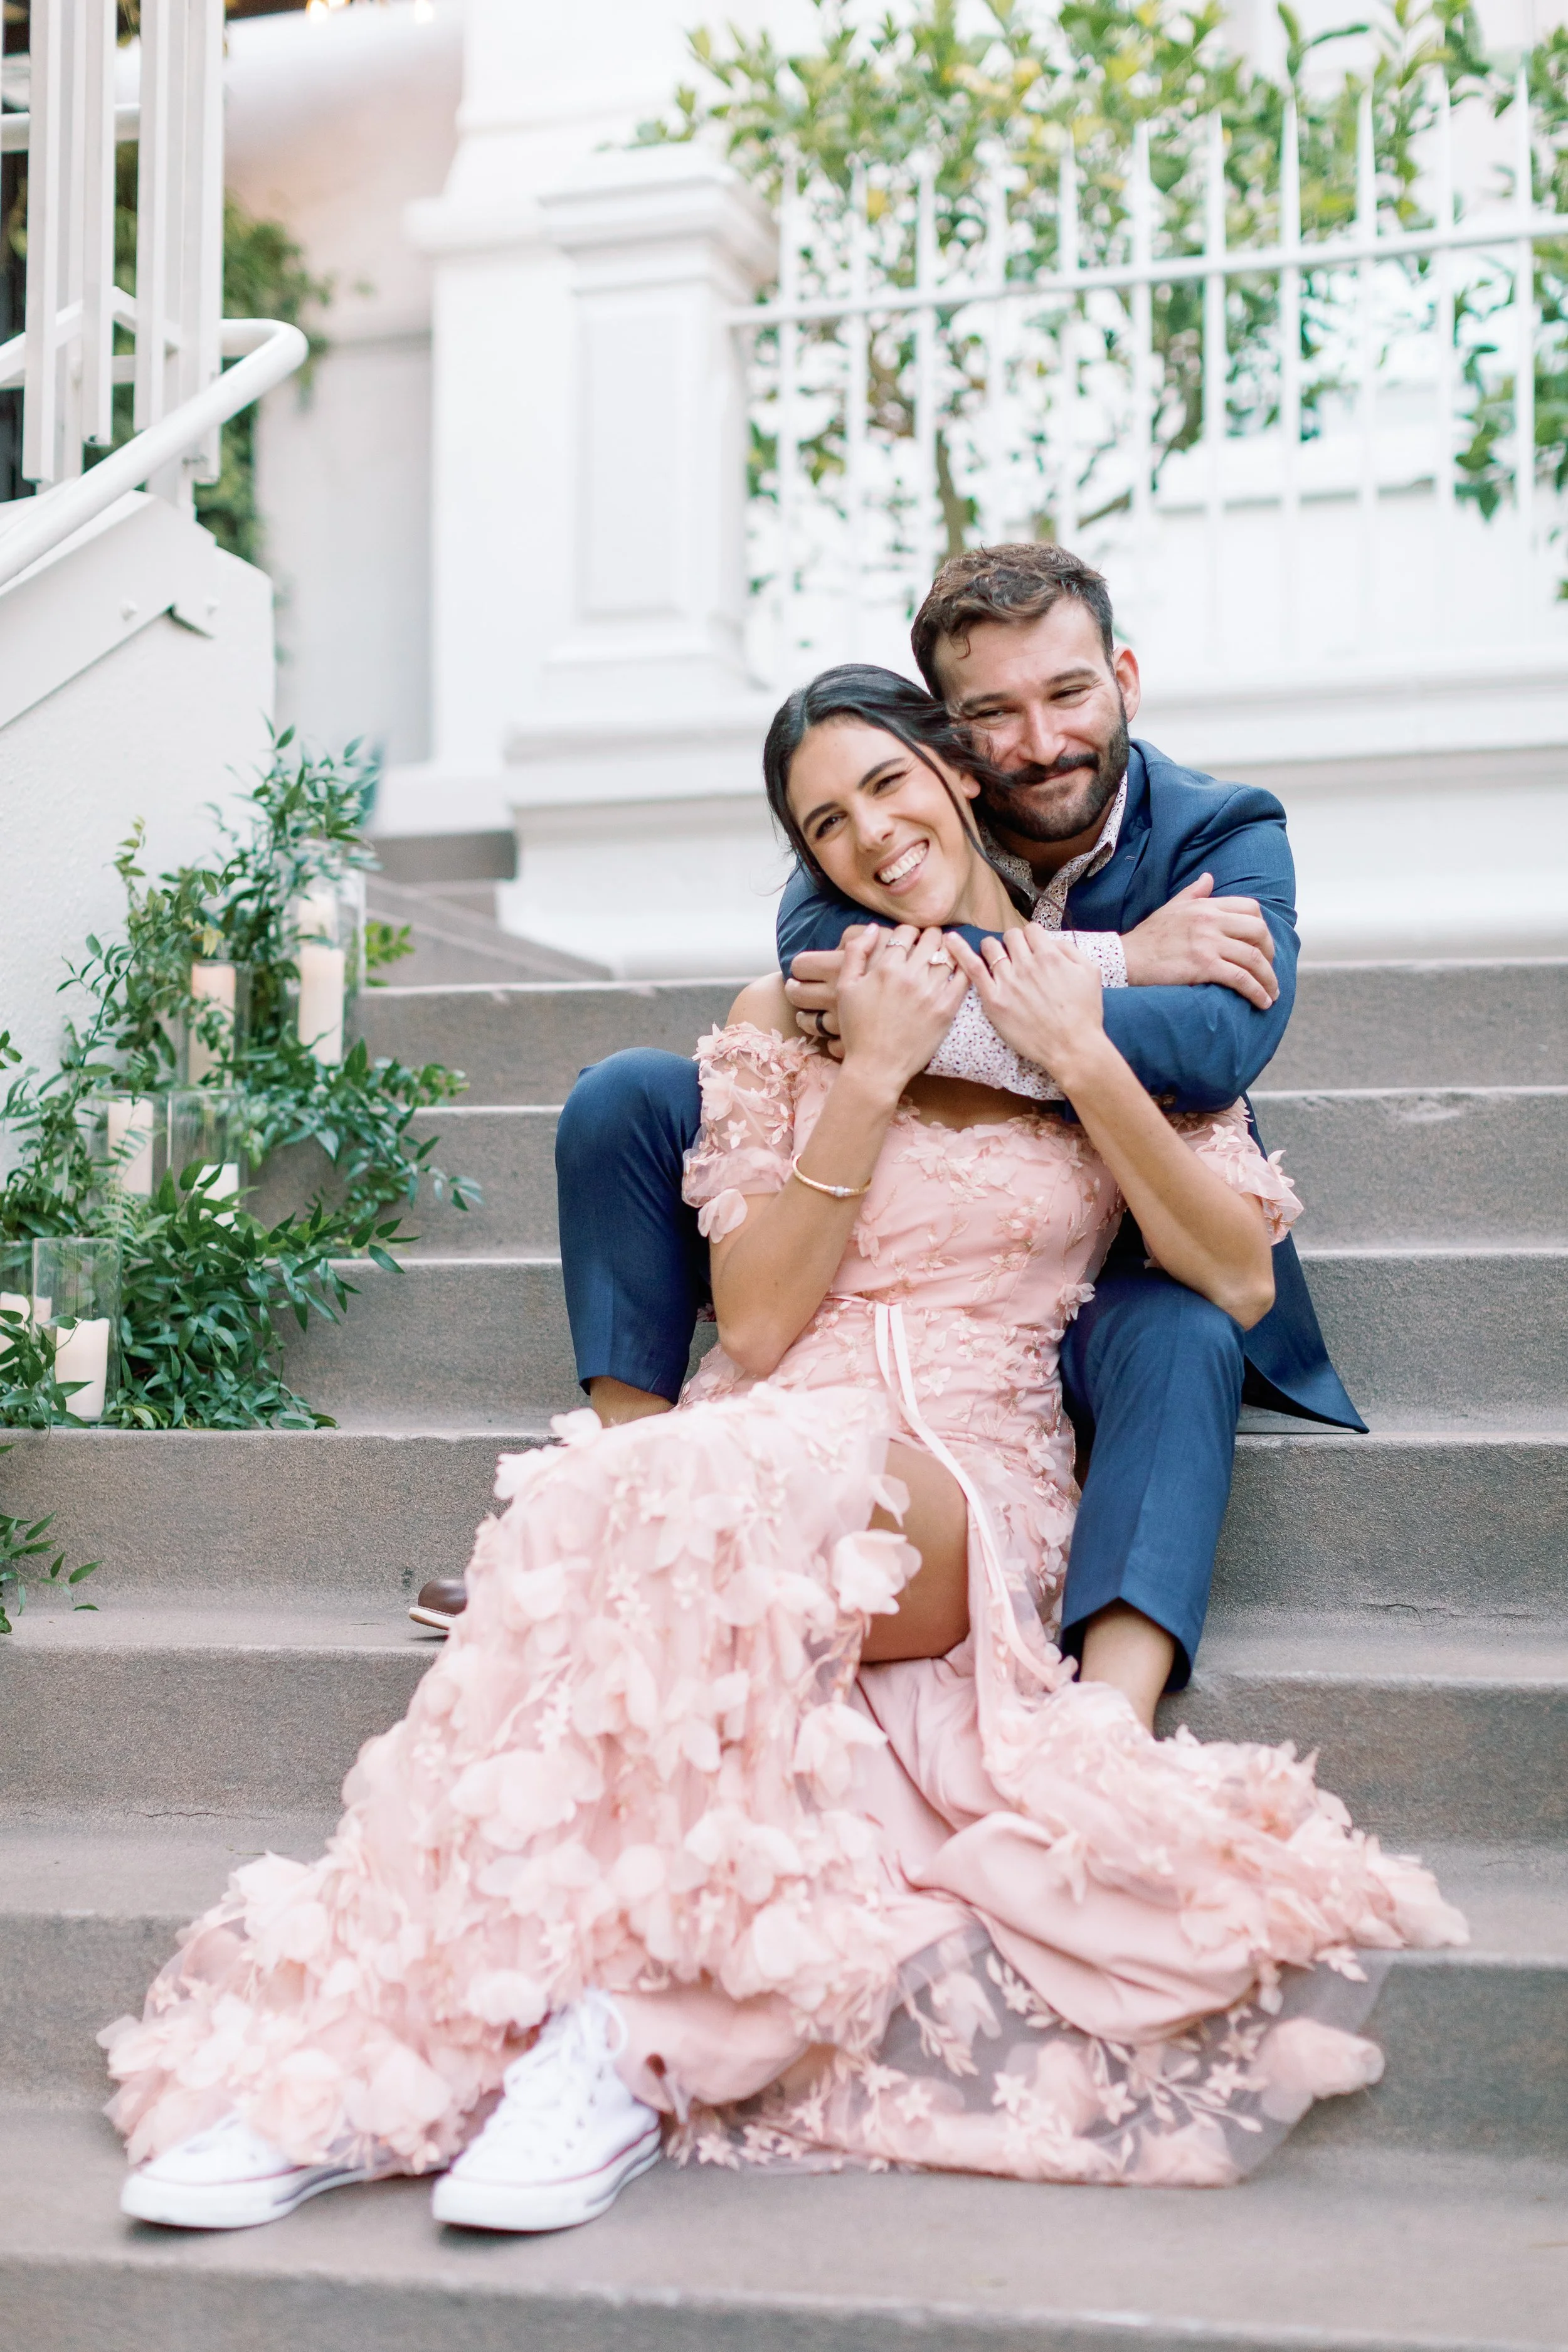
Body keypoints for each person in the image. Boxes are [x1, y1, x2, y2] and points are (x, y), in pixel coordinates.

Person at [107, 665, 1463, 2236]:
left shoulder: (1106, 1020)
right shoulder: (790, 1019)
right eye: (826, 822)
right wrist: (869, 1076)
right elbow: (747, 1327)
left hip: (962, 1465)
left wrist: (1078, 1048)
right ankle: (379, 2065)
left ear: (954, 779)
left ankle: (628, 2047)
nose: (871, 835)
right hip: (776, 1423)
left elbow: (1230, 1277)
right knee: (664, 1491)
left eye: (888, 785)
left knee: (634, 1524)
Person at [469, 544, 1362, 1704]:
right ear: (963, 743)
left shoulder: (1218, 834)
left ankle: (1111, 1703)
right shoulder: (844, 894)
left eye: (1069, 695)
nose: (1039, 743)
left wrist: (1078, 1024)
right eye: (997, 712)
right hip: (808, 1382)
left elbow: (1213, 1049)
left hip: (1065, 1310)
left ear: (1124, 680)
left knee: (1184, 1328)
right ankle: (623, 1471)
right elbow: (830, 981)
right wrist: (1056, 992)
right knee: (627, 1094)